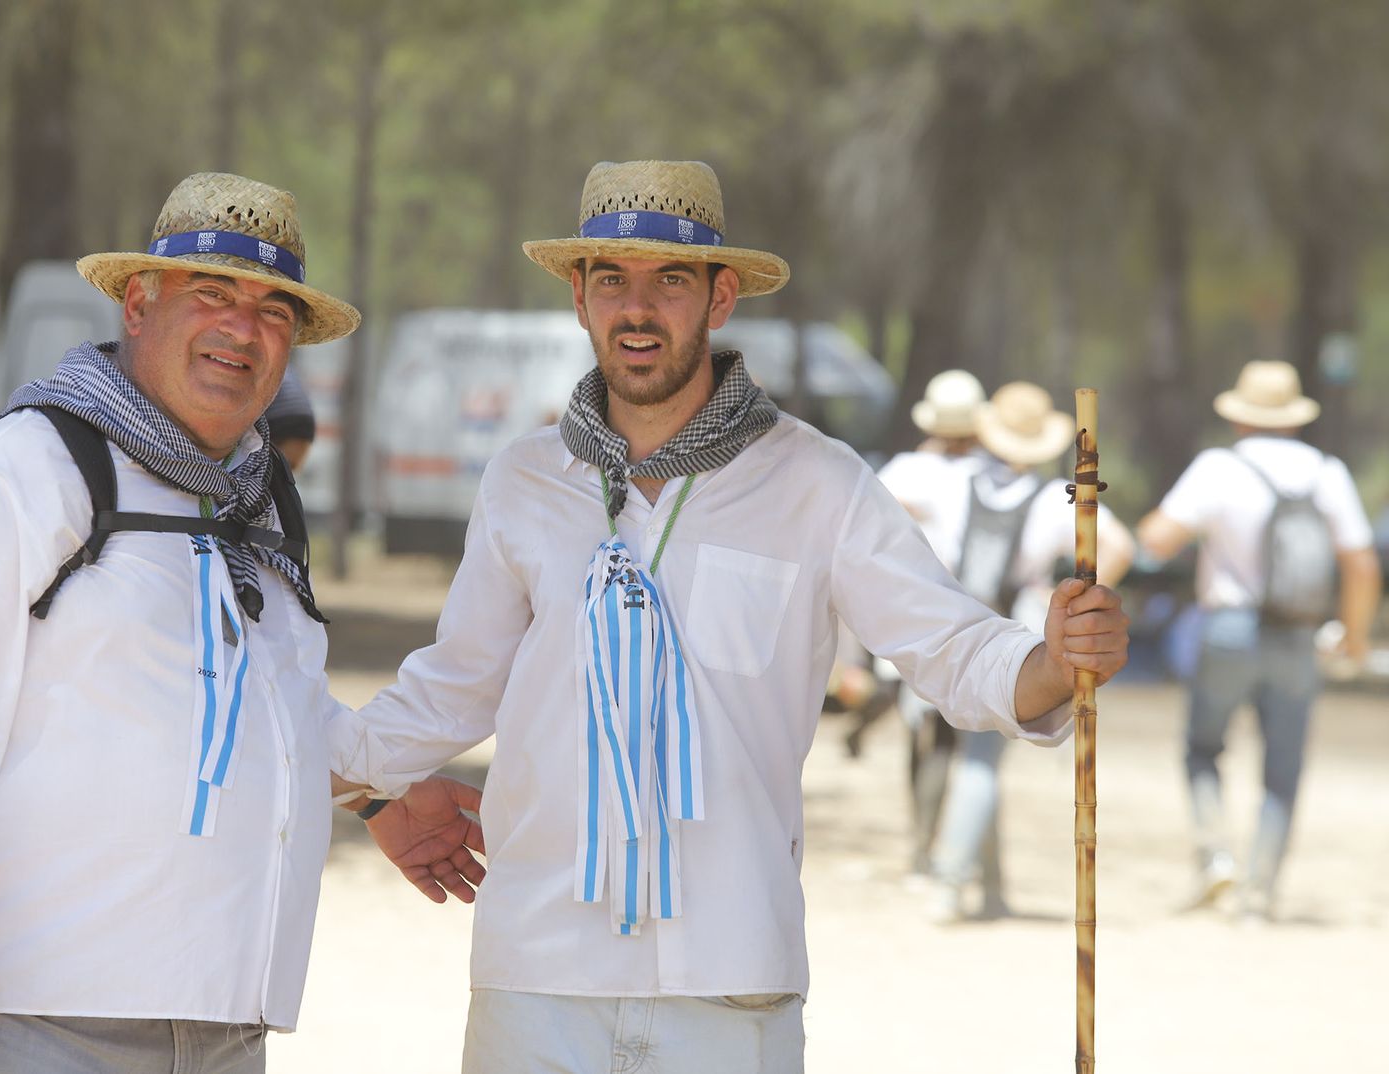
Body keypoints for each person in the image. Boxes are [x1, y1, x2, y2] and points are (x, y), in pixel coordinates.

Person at [331, 160, 1129, 1072]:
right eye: (611, 280)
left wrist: (1056, 661)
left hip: (731, 977)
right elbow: (453, 687)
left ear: (720, 298)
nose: (637, 309)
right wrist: (345, 778)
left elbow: (949, 646)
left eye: (670, 280)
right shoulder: (522, 480)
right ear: (579, 300)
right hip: (536, 978)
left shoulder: (815, 481)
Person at [0, 173, 485, 1074]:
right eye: (213, 294)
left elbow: (269, 706)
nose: (243, 329)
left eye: (274, 311)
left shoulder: (257, 500)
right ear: (139, 304)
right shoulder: (16, 475)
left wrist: (372, 793)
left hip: (225, 1033)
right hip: (38, 1022)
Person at [1137, 359, 1379, 921]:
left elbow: (1157, 539)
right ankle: (1260, 892)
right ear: (1295, 417)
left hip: (1228, 629)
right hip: (1298, 635)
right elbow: (1362, 565)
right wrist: (1355, 638)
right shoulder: (1327, 472)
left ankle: (1216, 857)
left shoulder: (1219, 467)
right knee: (1283, 768)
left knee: (1203, 748)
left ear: (1239, 416)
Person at [927, 382, 1135, 922]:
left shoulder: (950, 481)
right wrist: (1077, 606)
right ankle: (951, 879)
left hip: (950, 628)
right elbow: (1119, 545)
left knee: (970, 756)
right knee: (982, 762)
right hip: (1015, 632)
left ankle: (989, 887)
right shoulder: (1049, 499)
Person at [871, 369, 992, 879]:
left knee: (919, 732)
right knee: (948, 736)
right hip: (973, 613)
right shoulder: (990, 473)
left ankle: (921, 844)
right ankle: (933, 842)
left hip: (911, 611)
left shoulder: (908, 469)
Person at [264, 369, 317, 473]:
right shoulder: (286, 371)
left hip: (286, 417)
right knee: (284, 466)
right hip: (303, 418)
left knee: (278, 465)